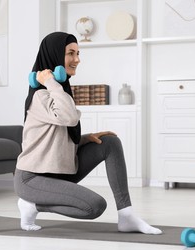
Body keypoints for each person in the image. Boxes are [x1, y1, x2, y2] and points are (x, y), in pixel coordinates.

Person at [14, 32, 162, 235]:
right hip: (32, 179)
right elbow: (69, 118)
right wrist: (50, 82)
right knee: (95, 206)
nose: (77, 59)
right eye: (70, 53)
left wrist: (84, 139)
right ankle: (32, 206)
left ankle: (126, 215)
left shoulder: (60, 91)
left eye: (78, 53)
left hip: (59, 172)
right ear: (55, 57)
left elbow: (55, 135)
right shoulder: (41, 95)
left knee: (109, 142)